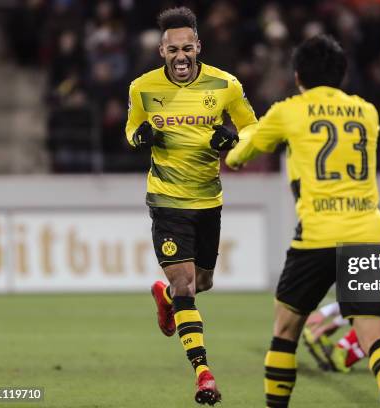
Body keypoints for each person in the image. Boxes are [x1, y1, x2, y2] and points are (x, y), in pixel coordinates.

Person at [226, 35, 380, 408]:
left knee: (286, 330)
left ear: (297, 76)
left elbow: (242, 152)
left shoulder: (289, 111)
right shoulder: (367, 112)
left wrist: (236, 155)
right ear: (342, 75)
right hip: (367, 233)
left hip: (317, 235)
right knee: (373, 334)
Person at [125, 7, 257, 405]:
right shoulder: (141, 89)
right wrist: (141, 136)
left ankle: (166, 300)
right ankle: (204, 374)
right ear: (161, 52)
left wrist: (232, 140)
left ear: (198, 46)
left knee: (202, 283)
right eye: (172, 49)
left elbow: (252, 128)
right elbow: (131, 129)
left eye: (187, 47)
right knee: (186, 284)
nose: (180, 56)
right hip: (166, 200)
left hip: (208, 201)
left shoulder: (226, 85)